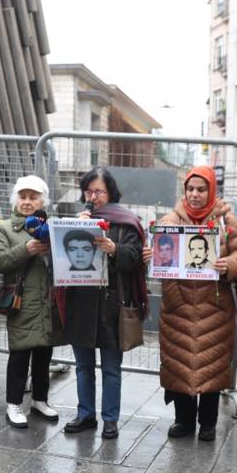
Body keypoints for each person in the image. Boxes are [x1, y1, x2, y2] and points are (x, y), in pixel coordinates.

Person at [145, 165, 237, 442]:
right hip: (177, 306)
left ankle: (208, 423)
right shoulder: (170, 220)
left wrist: (228, 264)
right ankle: (183, 420)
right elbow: (159, 253)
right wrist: (150, 256)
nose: (195, 194)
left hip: (214, 306)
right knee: (178, 365)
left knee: (212, 366)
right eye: (190, 189)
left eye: (201, 189)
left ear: (211, 191)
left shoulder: (227, 222)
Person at [63, 166, 148, 439]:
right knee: (83, 365)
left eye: (98, 191)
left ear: (110, 192)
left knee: (111, 367)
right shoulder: (79, 219)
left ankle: (110, 418)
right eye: (89, 191)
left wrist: (116, 250)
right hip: (81, 301)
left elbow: (136, 256)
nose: (93, 196)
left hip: (112, 302)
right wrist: (76, 227)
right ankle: (85, 413)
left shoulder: (126, 221)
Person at [0, 175, 61, 428]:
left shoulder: (55, 227)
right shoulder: (6, 228)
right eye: (23, 196)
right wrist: (25, 250)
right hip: (21, 301)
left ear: (42, 201)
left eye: (33, 197)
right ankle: (13, 403)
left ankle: (40, 400)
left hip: (48, 301)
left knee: (44, 354)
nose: (27, 202)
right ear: (15, 199)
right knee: (19, 354)